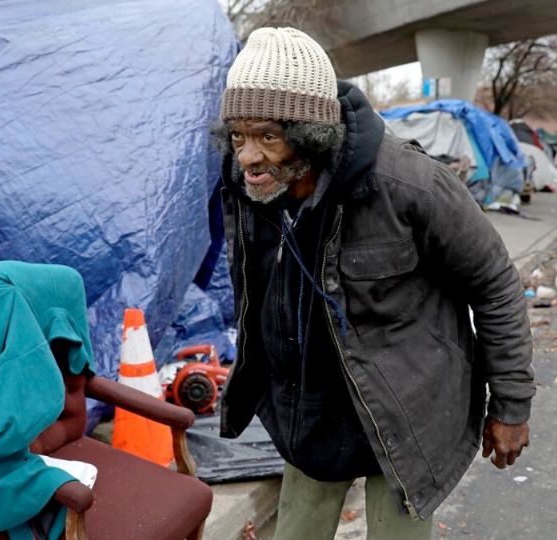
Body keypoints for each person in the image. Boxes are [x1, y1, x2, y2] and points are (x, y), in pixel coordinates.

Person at [212, 27, 534, 539]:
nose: (247, 157)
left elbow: (496, 285)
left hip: (408, 412)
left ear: (310, 132)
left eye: (268, 136)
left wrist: (511, 404)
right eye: (238, 135)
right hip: (310, 410)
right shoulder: (252, 185)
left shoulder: (409, 185)